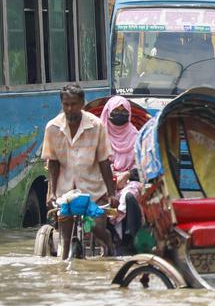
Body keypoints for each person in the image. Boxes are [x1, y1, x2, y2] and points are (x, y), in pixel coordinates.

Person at [42, 84, 119, 257]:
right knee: (65, 237)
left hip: (93, 190)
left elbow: (104, 161)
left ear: (82, 103)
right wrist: (51, 192)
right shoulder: (52, 128)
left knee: (97, 228)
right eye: (66, 104)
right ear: (62, 104)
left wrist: (112, 193)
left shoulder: (96, 125)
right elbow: (52, 162)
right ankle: (65, 265)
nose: (70, 109)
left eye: (74, 104)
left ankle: (109, 244)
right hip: (65, 192)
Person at [100, 96, 142, 251]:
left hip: (129, 181)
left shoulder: (136, 136)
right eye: (116, 111)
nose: (120, 114)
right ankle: (107, 235)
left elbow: (143, 167)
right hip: (104, 180)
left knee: (129, 195)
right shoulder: (100, 136)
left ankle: (128, 239)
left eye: (123, 111)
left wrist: (128, 175)